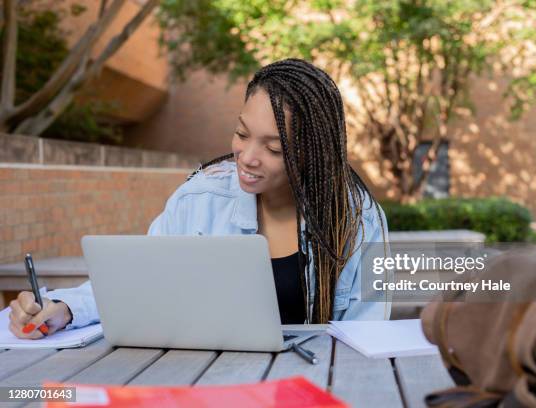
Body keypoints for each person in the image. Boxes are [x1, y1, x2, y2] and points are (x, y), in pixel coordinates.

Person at [8, 58, 390, 340]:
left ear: (312, 153)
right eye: (242, 134)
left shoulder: (358, 220)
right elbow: (138, 281)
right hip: (207, 382)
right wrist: (65, 309)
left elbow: (367, 338)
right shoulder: (198, 199)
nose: (248, 157)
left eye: (274, 148)